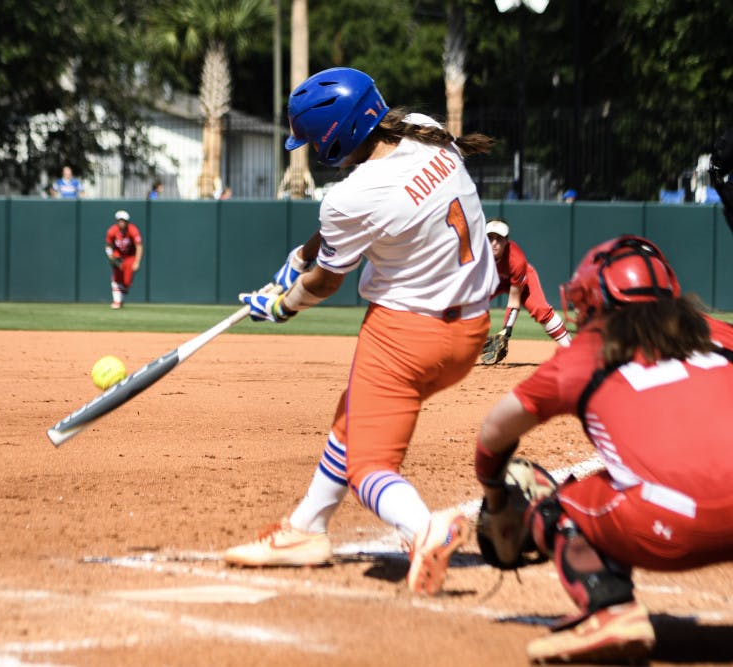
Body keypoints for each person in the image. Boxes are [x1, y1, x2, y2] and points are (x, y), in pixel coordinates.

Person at [227, 67, 499, 597]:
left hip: (406, 336)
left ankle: (422, 528)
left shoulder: (352, 196)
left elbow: (326, 282)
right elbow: (340, 231)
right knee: (353, 413)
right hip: (469, 331)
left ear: (333, 138)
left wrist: (283, 304)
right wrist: (299, 257)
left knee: (368, 467)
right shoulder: (424, 130)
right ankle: (306, 529)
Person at [474, 235, 733, 663]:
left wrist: (495, 493)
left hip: (670, 526)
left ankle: (610, 609)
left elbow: (493, 433)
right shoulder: (720, 332)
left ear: (593, 301)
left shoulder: (583, 353)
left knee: (560, 506)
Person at [485, 218, 571, 350]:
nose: (494, 243)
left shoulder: (516, 260)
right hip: (494, 280)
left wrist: (506, 331)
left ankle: (570, 348)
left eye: (499, 238)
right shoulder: (476, 256)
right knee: (468, 306)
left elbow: (514, 300)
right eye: (490, 238)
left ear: (507, 241)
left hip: (519, 279)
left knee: (541, 309)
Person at [104, 209, 143, 309]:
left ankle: (120, 301)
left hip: (130, 256)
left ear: (127, 222)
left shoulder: (132, 230)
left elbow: (139, 246)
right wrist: (111, 256)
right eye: (120, 220)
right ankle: (117, 301)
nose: (121, 223)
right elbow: (108, 245)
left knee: (126, 282)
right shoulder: (112, 231)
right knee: (117, 279)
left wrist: (137, 262)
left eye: (123, 221)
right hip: (118, 256)